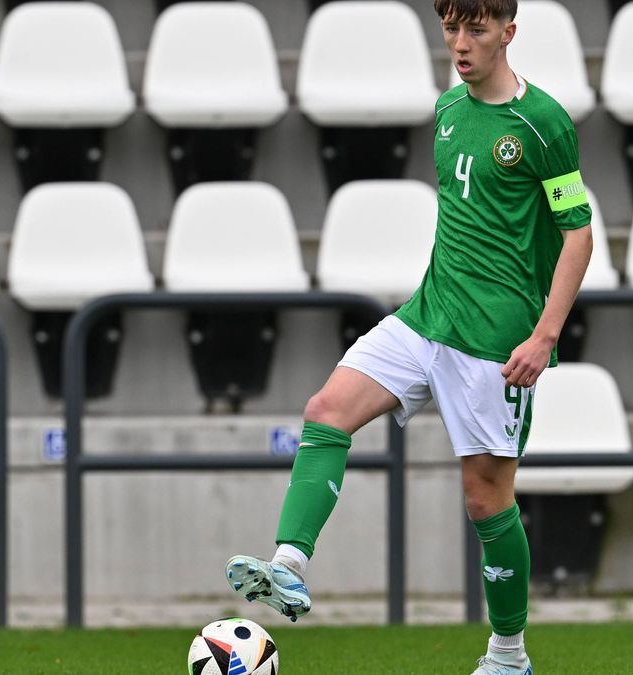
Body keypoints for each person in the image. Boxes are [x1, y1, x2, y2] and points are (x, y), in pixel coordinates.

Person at [225, 1, 593, 673]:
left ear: (508, 33)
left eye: (476, 29)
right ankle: (288, 563)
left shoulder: (542, 124)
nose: (460, 42)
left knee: (487, 501)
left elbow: (578, 233)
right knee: (325, 411)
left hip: (495, 342)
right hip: (426, 318)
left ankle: (508, 656)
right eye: (452, 27)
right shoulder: (449, 111)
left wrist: (544, 336)